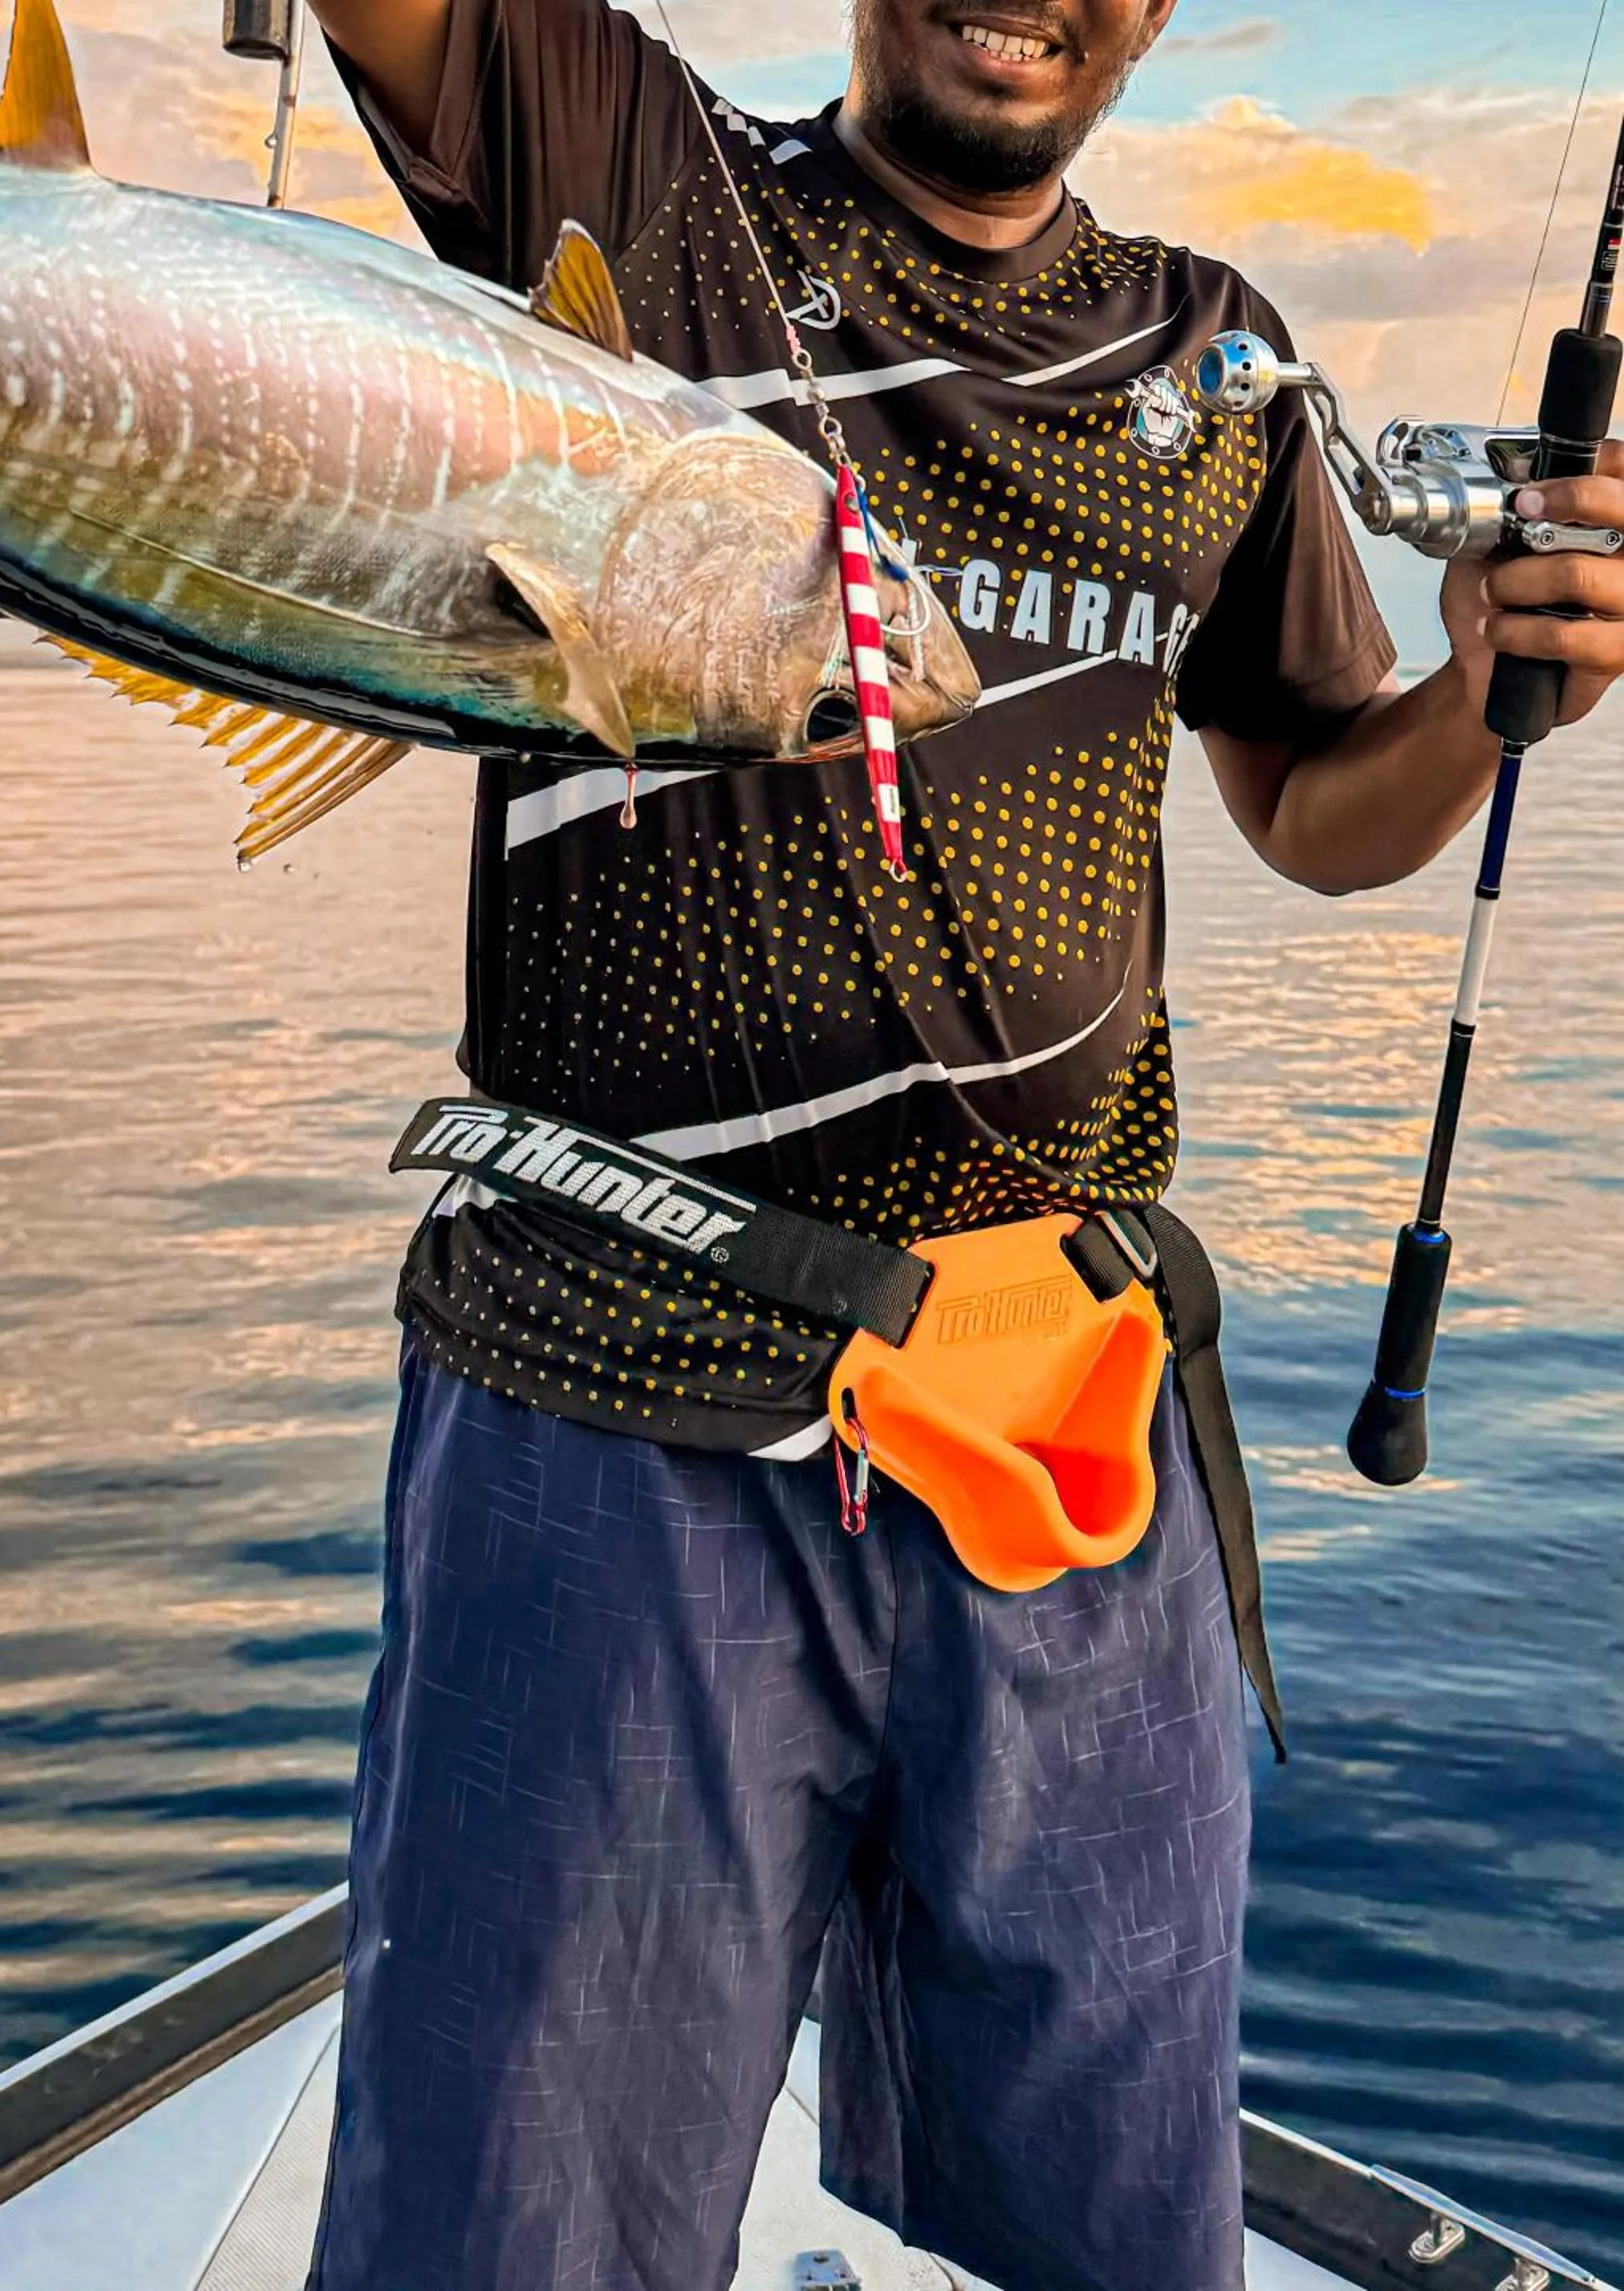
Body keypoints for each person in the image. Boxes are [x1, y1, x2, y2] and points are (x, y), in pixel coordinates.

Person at [299, 4, 1624, 2287]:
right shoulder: (638, 168)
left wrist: (1497, 680)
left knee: (1112, 2232)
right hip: (622, 1398)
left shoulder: (1215, 359)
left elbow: (1317, 805)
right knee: (514, 2237)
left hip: (1066, 1425)